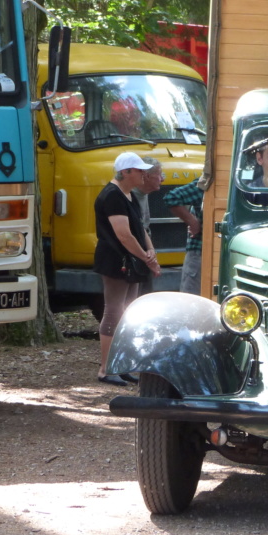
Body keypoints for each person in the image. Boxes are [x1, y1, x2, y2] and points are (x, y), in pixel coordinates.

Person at [94, 152, 161, 386]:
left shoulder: (129, 195)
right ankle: (105, 369)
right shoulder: (112, 195)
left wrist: (150, 253)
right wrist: (145, 256)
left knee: (128, 312)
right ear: (125, 172)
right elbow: (123, 234)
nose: (144, 174)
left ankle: (121, 364)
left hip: (131, 260)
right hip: (115, 261)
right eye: (139, 170)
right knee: (113, 311)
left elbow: (139, 228)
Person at [163, 177, 205, 296]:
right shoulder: (207, 183)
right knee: (191, 297)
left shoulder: (208, 183)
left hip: (200, 252)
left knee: (190, 298)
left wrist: (192, 222)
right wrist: (193, 222)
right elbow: (172, 197)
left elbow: (172, 197)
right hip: (199, 252)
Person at [132, 157, 162, 296]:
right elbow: (133, 231)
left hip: (145, 252)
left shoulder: (144, 193)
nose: (162, 179)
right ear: (147, 176)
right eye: (159, 174)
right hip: (135, 255)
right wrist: (148, 258)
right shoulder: (130, 196)